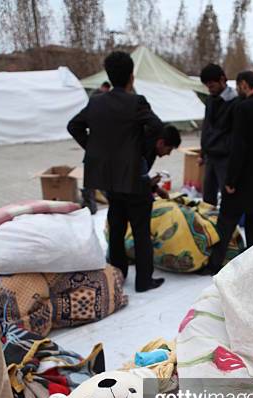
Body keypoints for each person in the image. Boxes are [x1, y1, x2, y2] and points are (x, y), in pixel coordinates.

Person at [67, 51, 165, 293]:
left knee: (117, 225)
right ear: (132, 76)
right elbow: (156, 126)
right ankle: (144, 280)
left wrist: (95, 152)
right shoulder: (136, 102)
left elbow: (74, 126)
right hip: (133, 177)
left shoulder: (96, 101)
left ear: (109, 76)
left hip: (108, 178)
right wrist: (140, 150)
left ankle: (118, 275)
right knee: (141, 230)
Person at [203, 71, 253, 274]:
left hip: (240, 180)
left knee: (225, 223)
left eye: (238, 86)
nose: (237, 90)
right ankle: (252, 268)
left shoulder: (242, 108)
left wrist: (231, 179)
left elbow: (239, 146)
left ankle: (214, 265)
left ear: (244, 85)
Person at [199, 64, 238, 206]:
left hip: (225, 156)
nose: (210, 89)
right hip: (211, 154)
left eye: (212, 85)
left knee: (227, 194)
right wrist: (203, 152)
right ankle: (208, 222)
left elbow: (236, 133)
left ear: (222, 80)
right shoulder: (210, 100)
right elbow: (207, 126)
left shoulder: (235, 102)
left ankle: (227, 225)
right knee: (208, 194)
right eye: (207, 86)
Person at [144, 125, 181, 199]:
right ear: (161, 143)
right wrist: (149, 184)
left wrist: (156, 188)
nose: (168, 154)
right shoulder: (143, 151)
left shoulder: (152, 150)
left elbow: (141, 175)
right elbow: (133, 182)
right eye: (169, 150)